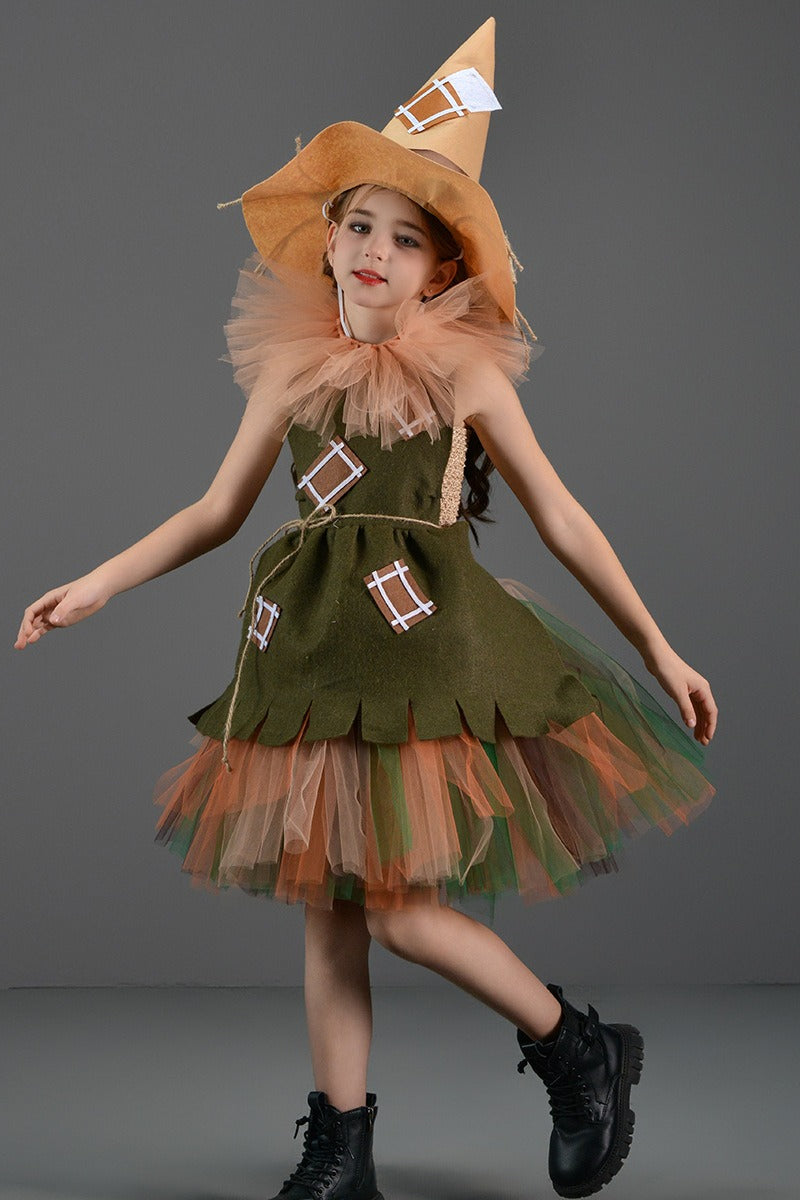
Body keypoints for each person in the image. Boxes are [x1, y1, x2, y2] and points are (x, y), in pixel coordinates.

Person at [14, 17, 718, 1200]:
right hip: (307, 653)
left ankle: (574, 1045)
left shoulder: (464, 370)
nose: (374, 251)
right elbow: (215, 509)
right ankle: (340, 1146)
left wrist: (656, 645)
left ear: (439, 269)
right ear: (329, 241)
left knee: (396, 912)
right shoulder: (291, 368)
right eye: (357, 227)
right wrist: (100, 581)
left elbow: (559, 514)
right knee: (329, 913)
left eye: (405, 237)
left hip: (418, 656)